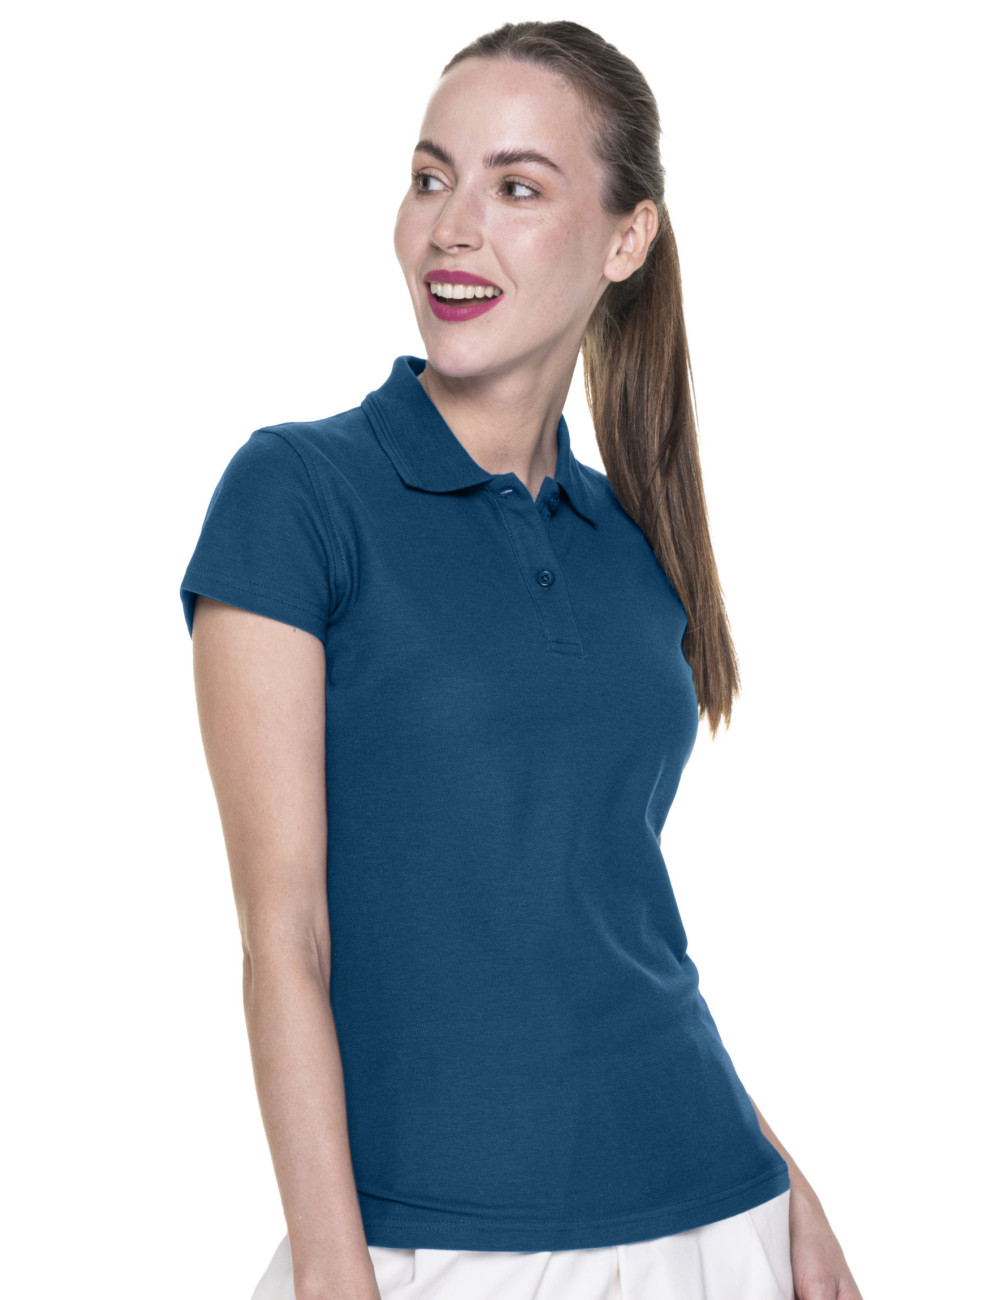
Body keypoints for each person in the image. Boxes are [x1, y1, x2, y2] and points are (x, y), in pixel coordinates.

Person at [180, 19, 863, 1300]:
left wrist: (784, 1183)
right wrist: (330, 1265)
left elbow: (608, 929)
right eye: (431, 177)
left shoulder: (635, 549)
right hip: (428, 1239)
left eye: (517, 188)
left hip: (710, 1215)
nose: (451, 228)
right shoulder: (298, 494)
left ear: (625, 238)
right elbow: (285, 936)